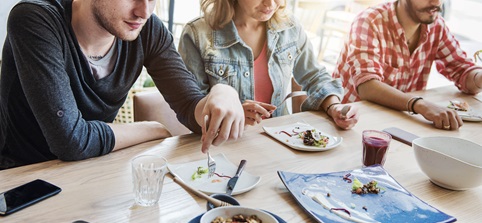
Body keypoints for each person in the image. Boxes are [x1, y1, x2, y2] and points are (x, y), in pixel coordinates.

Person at [0, 0, 245, 169]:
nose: (144, 11)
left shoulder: (148, 30)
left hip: (96, 168)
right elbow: (70, 141)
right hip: (24, 179)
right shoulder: (35, 20)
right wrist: (152, 128)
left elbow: (190, 108)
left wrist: (221, 93)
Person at [178, 0, 359, 128]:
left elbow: (315, 77)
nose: (271, 4)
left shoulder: (289, 27)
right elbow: (192, 107)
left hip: (282, 140)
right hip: (225, 147)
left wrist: (334, 106)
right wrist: (232, 113)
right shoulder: (198, 35)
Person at [333, 0, 482, 130]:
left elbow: (462, 69)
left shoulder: (437, 25)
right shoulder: (369, 21)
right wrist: (420, 105)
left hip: (399, 122)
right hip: (350, 123)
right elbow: (367, 86)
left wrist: (478, 78)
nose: (437, 2)